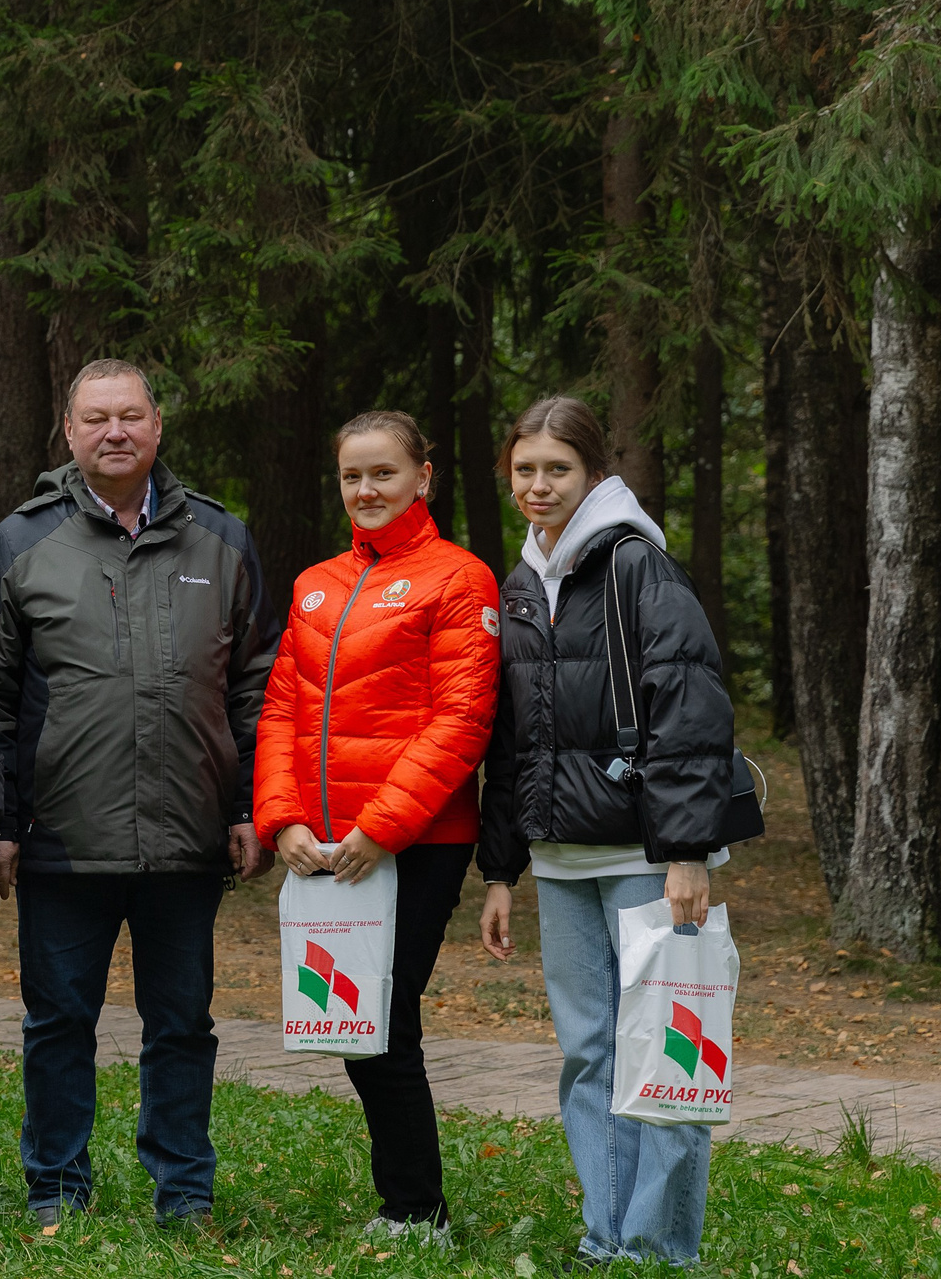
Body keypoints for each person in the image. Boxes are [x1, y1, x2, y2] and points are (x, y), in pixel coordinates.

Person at [0, 357, 275, 1228]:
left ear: (156, 427)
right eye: (96, 417)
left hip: (187, 835)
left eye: (131, 416)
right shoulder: (22, 541)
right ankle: (56, 1190)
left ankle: (184, 1191)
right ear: (68, 433)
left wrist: (251, 804)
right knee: (57, 1023)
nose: (115, 431)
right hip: (59, 836)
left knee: (182, 1024)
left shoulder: (220, 538)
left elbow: (257, 682)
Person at [479, 396, 736, 1268]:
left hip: (644, 855)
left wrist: (688, 851)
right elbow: (510, 737)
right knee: (590, 1052)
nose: (538, 485)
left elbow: (692, 708)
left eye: (557, 468)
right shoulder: (520, 581)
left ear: (593, 471)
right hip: (558, 859)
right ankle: (607, 1234)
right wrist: (503, 867)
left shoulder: (636, 565)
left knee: (663, 1048)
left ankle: (661, 1245)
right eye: (525, 469)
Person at [254, 410, 500, 1247]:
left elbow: (463, 719)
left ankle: (415, 1210)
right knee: (357, 1024)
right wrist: (281, 817)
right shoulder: (316, 582)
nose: (366, 490)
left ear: (423, 476)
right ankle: (407, 1203)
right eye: (352, 476)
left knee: (385, 1019)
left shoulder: (459, 578)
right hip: (326, 848)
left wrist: (385, 826)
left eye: (383, 473)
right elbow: (285, 703)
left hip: (416, 843)